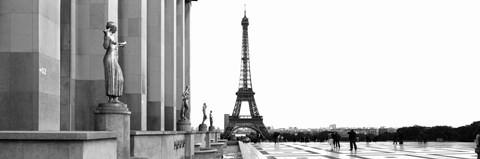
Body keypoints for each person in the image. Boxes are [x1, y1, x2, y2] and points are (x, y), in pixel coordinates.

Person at [103, 21, 126, 103]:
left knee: (119, 78)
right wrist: (106, 36)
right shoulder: (108, 36)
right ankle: (111, 98)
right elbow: (105, 46)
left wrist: (120, 44)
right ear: (111, 28)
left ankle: (115, 97)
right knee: (111, 77)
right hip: (110, 58)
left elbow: (114, 44)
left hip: (114, 59)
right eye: (114, 27)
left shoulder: (112, 36)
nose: (116, 28)